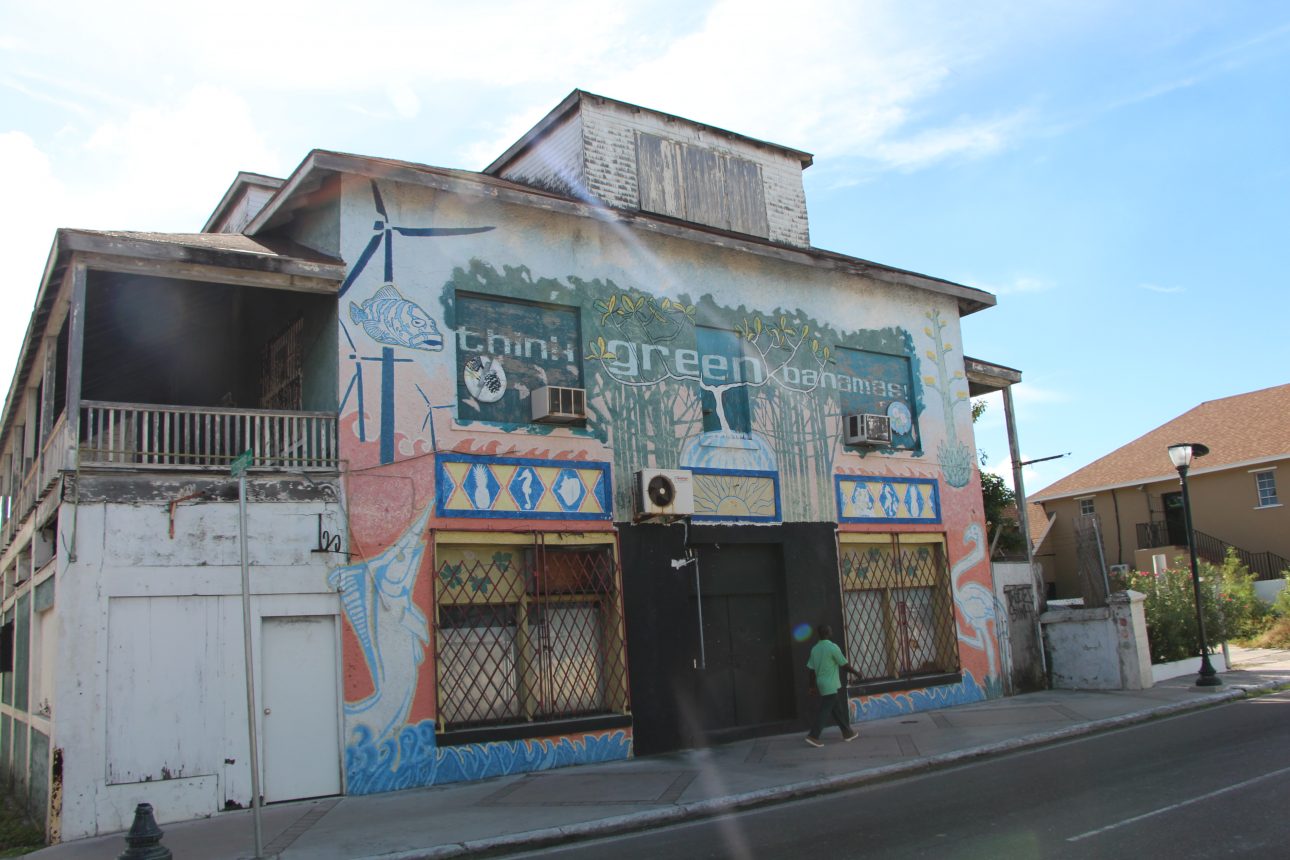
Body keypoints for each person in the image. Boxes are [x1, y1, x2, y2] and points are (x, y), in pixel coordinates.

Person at [804, 623, 859, 747]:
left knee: (836, 709)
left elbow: (811, 671)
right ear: (828, 633)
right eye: (830, 630)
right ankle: (813, 736)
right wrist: (856, 673)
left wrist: (811, 687)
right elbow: (844, 665)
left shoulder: (815, 649)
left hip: (821, 683)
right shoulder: (832, 647)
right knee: (825, 709)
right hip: (830, 683)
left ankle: (847, 732)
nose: (831, 631)